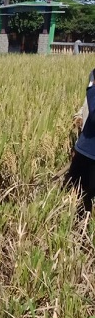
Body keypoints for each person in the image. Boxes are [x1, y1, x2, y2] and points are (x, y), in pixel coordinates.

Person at [66, 68, 95, 213]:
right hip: (84, 149)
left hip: (90, 153)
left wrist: (92, 85)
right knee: (72, 193)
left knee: (86, 203)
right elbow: (87, 108)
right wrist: (78, 117)